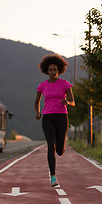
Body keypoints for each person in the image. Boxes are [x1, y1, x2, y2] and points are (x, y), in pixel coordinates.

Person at [34, 54, 75, 187]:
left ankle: (59, 144)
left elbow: (73, 101)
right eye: (50, 70)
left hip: (62, 117)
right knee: (50, 145)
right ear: (47, 71)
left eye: (55, 70)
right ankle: (53, 176)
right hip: (48, 118)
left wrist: (67, 102)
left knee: (60, 151)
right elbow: (36, 102)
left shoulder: (65, 84)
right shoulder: (42, 85)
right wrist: (38, 112)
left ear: (59, 71)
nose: (52, 72)